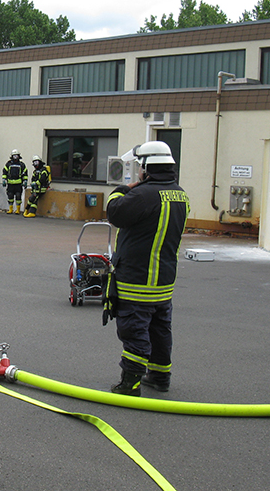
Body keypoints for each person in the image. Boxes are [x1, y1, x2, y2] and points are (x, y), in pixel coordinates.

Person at [103, 141, 189, 396]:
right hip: (163, 280)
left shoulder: (142, 195)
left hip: (137, 280)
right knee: (159, 329)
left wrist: (120, 189)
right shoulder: (180, 193)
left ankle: (130, 383)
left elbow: (115, 213)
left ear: (147, 168)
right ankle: (160, 376)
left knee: (133, 328)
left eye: (140, 166)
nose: (138, 171)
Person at [2, 149, 28, 214]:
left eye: (16, 156)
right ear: (12, 156)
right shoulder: (8, 164)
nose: (15, 157)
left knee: (18, 196)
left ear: (19, 156)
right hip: (10, 183)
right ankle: (10, 209)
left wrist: (25, 181)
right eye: (14, 156)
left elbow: (25, 173)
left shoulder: (22, 165)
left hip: (18, 184)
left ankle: (18, 210)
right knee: (10, 196)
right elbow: (5, 172)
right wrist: (4, 180)